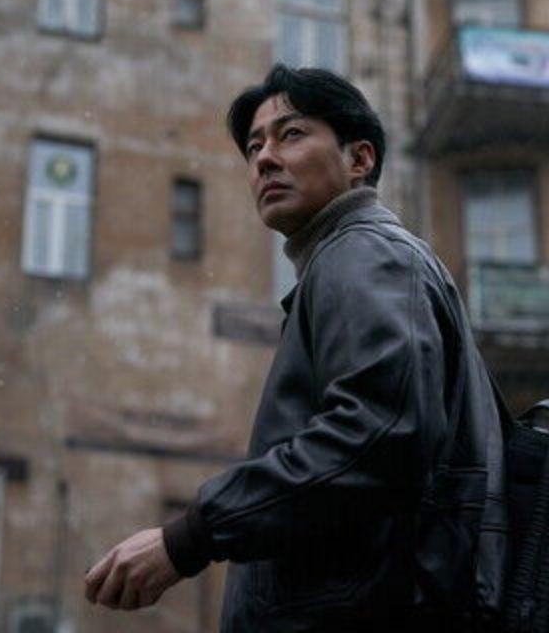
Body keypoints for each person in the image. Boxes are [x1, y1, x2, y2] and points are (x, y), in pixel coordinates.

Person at [83, 65, 508, 631]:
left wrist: (187, 539)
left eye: (291, 135)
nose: (264, 159)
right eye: (254, 146)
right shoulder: (350, 262)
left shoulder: (362, 253)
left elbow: (380, 434)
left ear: (359, 160)